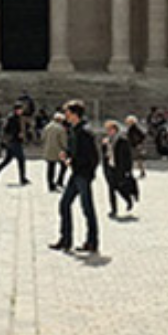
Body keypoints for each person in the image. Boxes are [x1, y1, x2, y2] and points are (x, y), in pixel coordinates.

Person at [49, 101, 99, 255]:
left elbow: (92, 157)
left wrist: (75, 162)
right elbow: (75, 151)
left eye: (68, 113)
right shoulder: (74, 130)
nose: (66, 115)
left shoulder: (85, 131)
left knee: (87, 209)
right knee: (64, 204)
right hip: (76, 173)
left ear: (75, 114)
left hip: (82, 174)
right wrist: (68, 155)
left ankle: (92, 241)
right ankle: (66, 239)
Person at [104, 120, 139, 217]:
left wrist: (127, 169)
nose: (108, 131)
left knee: (120, 187)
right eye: (107, 130)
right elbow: (105, 154)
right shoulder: (107, 140)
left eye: (109, 129)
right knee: (111, 189)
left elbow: (127, 156)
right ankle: (113, 210)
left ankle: (128, 199)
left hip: (119, 167)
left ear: (115, 129)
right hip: (110, 167)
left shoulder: (122, 140)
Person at [0, 107, 29, 186]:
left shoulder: (18, 118)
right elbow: (7, 129)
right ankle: (22, 178)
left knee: (7, 160)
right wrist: (16, 135)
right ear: (16, 110)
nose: (21, 111)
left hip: (15, 141)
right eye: (20, 110)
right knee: (21, 159)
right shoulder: (11, 118)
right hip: (13, 142)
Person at [41, 108, 70, 193]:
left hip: (48, 149)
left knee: (50, 168)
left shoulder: (47, 127)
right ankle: (59, 181)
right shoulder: (60, 129)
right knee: (64, 166)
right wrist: (66, 149)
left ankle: (50, 184)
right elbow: (63, 141)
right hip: (58, 151)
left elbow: (43, 137)